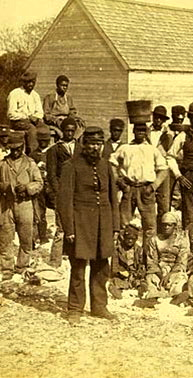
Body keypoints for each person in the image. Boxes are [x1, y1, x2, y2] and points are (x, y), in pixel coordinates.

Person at [58, 126, 120, 324]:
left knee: (102, 267)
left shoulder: (106, 166)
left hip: (103, 224)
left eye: (99, 144)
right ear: (84, 145)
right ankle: (75, 309)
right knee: (78, 268)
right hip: (81, 223)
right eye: (91, 143)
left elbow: (112, 198)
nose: (95, 147)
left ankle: (99, 306)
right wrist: (69, 228)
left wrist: (115, 227)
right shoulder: (71, 166)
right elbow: (64, 200)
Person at [0, 131, 43, 280]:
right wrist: (3, 186)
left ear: (23, 147)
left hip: (25, 205)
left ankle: (22, 266)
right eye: (12, 149)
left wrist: (27, 187)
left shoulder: (30, 164)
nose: (15, 152)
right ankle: (7, 269)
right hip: (7, 205)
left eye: (18, 148)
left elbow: (40, 183)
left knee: (26, 238)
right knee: (6, 238)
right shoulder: (2, 164)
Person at [111, 122, 168, 248]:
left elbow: (163, 169)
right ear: (134, 131)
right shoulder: (125, 148)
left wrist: (153, 186)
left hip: (146, 190)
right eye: (138, 130)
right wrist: (120, 181)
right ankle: (123, 256)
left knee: (150, 226)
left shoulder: (152, 149)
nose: (140, 133)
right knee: (124, 223)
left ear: (146, 133)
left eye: (143, 131)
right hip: (129, 188)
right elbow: (112, 164)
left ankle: (148, 258)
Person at [46, 117, 81, 267]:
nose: (69, 133)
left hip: (78, 192)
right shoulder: (54, 150)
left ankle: (76, 255)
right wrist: (58, 193)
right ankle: (55, 260)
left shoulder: (80, 148)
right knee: (61, 226)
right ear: (62, 131)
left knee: (77, 225)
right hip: (63, 192)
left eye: (72, 131)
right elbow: (52, 174)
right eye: (67, 130)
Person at [145, 212, 189, 298]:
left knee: (179, 284)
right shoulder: (155, 240)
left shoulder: (182, 240)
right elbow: (152, 261)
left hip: (175, 270)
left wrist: (169, 275)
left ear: (175, 226)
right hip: (159, 270)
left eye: (169, 225)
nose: (166, 227)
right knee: (150, 281)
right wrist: (161, 275)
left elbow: (181, 262)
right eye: (164, 225)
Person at [7, 70, 44, 153]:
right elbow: (11, 114)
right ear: (23, 82)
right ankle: (32, 154)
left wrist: (36, 117)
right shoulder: (15, 93)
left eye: (33, 82)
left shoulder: (35, 95)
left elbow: (40, 112)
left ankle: (43, 155)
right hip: (18, 122)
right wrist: (27, 116)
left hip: (33, 121)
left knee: (45, 130)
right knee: (32, 130)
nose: (31, 84)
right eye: (28, 82)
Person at [29, 125, 52, 246]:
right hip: (39, 187)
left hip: (51, 186)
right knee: (40, 212)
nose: (43, 143)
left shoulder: (53, 152)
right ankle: (41, 236)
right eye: (41, 141)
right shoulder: (33, 155)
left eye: (46, 141)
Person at [108, 225, 145, 299]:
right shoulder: (118, 250)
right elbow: (114, 267)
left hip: (134, 275)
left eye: (133, 239)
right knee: (115, 283)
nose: (130, 241)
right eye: (128, 238)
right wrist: (121, 273)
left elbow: (142, 265)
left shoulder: (139, 250)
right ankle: (119, 295)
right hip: (122, 275)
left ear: (136, 239)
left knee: (142, 283)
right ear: (124, 238)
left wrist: (139, 273)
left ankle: (141, 292)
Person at [150, 106, 172, 220]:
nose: (158, 120)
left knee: (163, 199)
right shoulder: (146, 132)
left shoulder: (168, 134)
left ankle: (163, 225)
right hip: (149, 168)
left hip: (163, 168)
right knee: (149, 198)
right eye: (156, 117)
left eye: (161, 118)